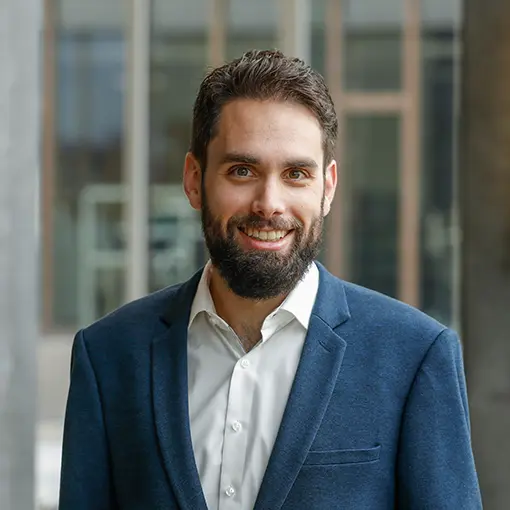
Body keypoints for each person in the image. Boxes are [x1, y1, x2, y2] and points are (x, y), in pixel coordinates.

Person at [59, 50, 482, 510]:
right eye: (242, 171)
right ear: (195, 180)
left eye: (296, 174)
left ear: (327, 188)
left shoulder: (415, 356)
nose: (269, 203)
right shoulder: (108, 357)